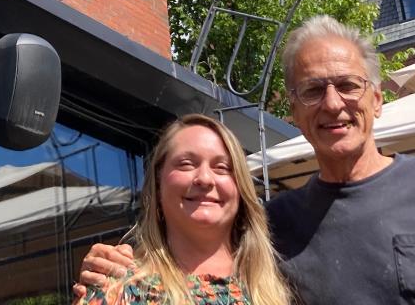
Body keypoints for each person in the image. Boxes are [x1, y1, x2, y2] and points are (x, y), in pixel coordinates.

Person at [76, 15, 415, 304]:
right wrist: (114, 265)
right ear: (293, 111)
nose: (332, 104)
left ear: (376, 98)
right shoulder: (276, 228)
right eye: (312, 90)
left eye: (347, 85)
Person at [72, 113, 291, 305]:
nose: (205, 179)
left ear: (241, 189)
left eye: (221, 167)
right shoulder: (120, 290)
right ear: (158, 185)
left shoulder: (274, 292)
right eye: (186, 164)